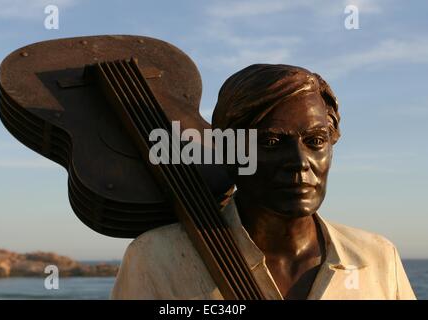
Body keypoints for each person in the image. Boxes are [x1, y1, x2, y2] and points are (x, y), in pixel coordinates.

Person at [111, 64, 416, 300]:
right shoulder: (156, 258)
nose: (299, 161)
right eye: (271, 141)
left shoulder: (376, 257)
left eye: (316, 141)